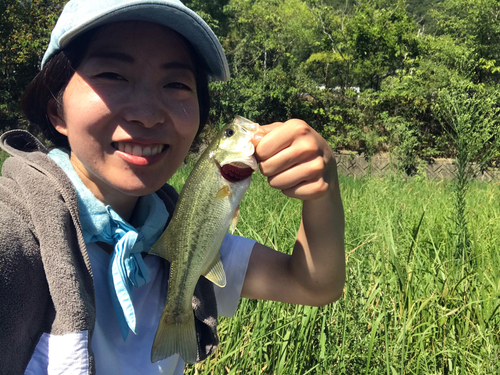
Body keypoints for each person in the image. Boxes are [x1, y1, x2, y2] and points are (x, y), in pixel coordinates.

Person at [0, 0, 345, 373]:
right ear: (56, 110)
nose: (147, 113)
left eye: (177, 83)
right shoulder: (15, 229)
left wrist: (322, 193)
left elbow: (314, 286)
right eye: (113, 75)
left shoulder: (176, 234)